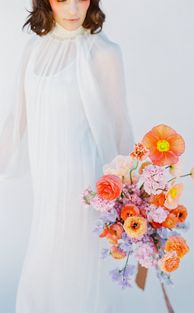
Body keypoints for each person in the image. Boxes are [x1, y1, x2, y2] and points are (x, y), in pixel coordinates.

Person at [0, 0, 137, 312]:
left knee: (76, 265)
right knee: (44, 260)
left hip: (84, 184)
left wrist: (136, 197)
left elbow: (120, 124)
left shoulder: (102, 52)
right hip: (46, 183)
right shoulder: (34, 49)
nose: (74, 8)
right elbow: (16, 121)